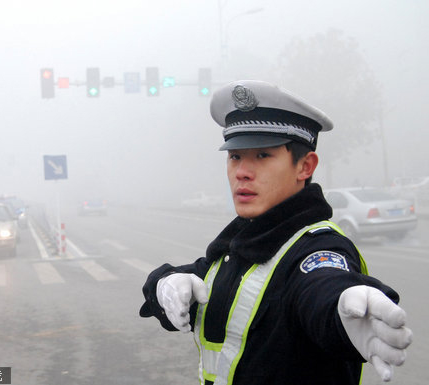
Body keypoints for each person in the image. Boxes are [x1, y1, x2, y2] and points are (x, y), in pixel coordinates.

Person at [139, 80, 412, 385]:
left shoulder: (317, 247)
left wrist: (338, 314)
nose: (242, 171)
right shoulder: (239, 248)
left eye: (262, 156)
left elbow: (322, 286)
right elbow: (194, 280)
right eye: (235, 156)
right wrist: (165, 285)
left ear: (305, 166)